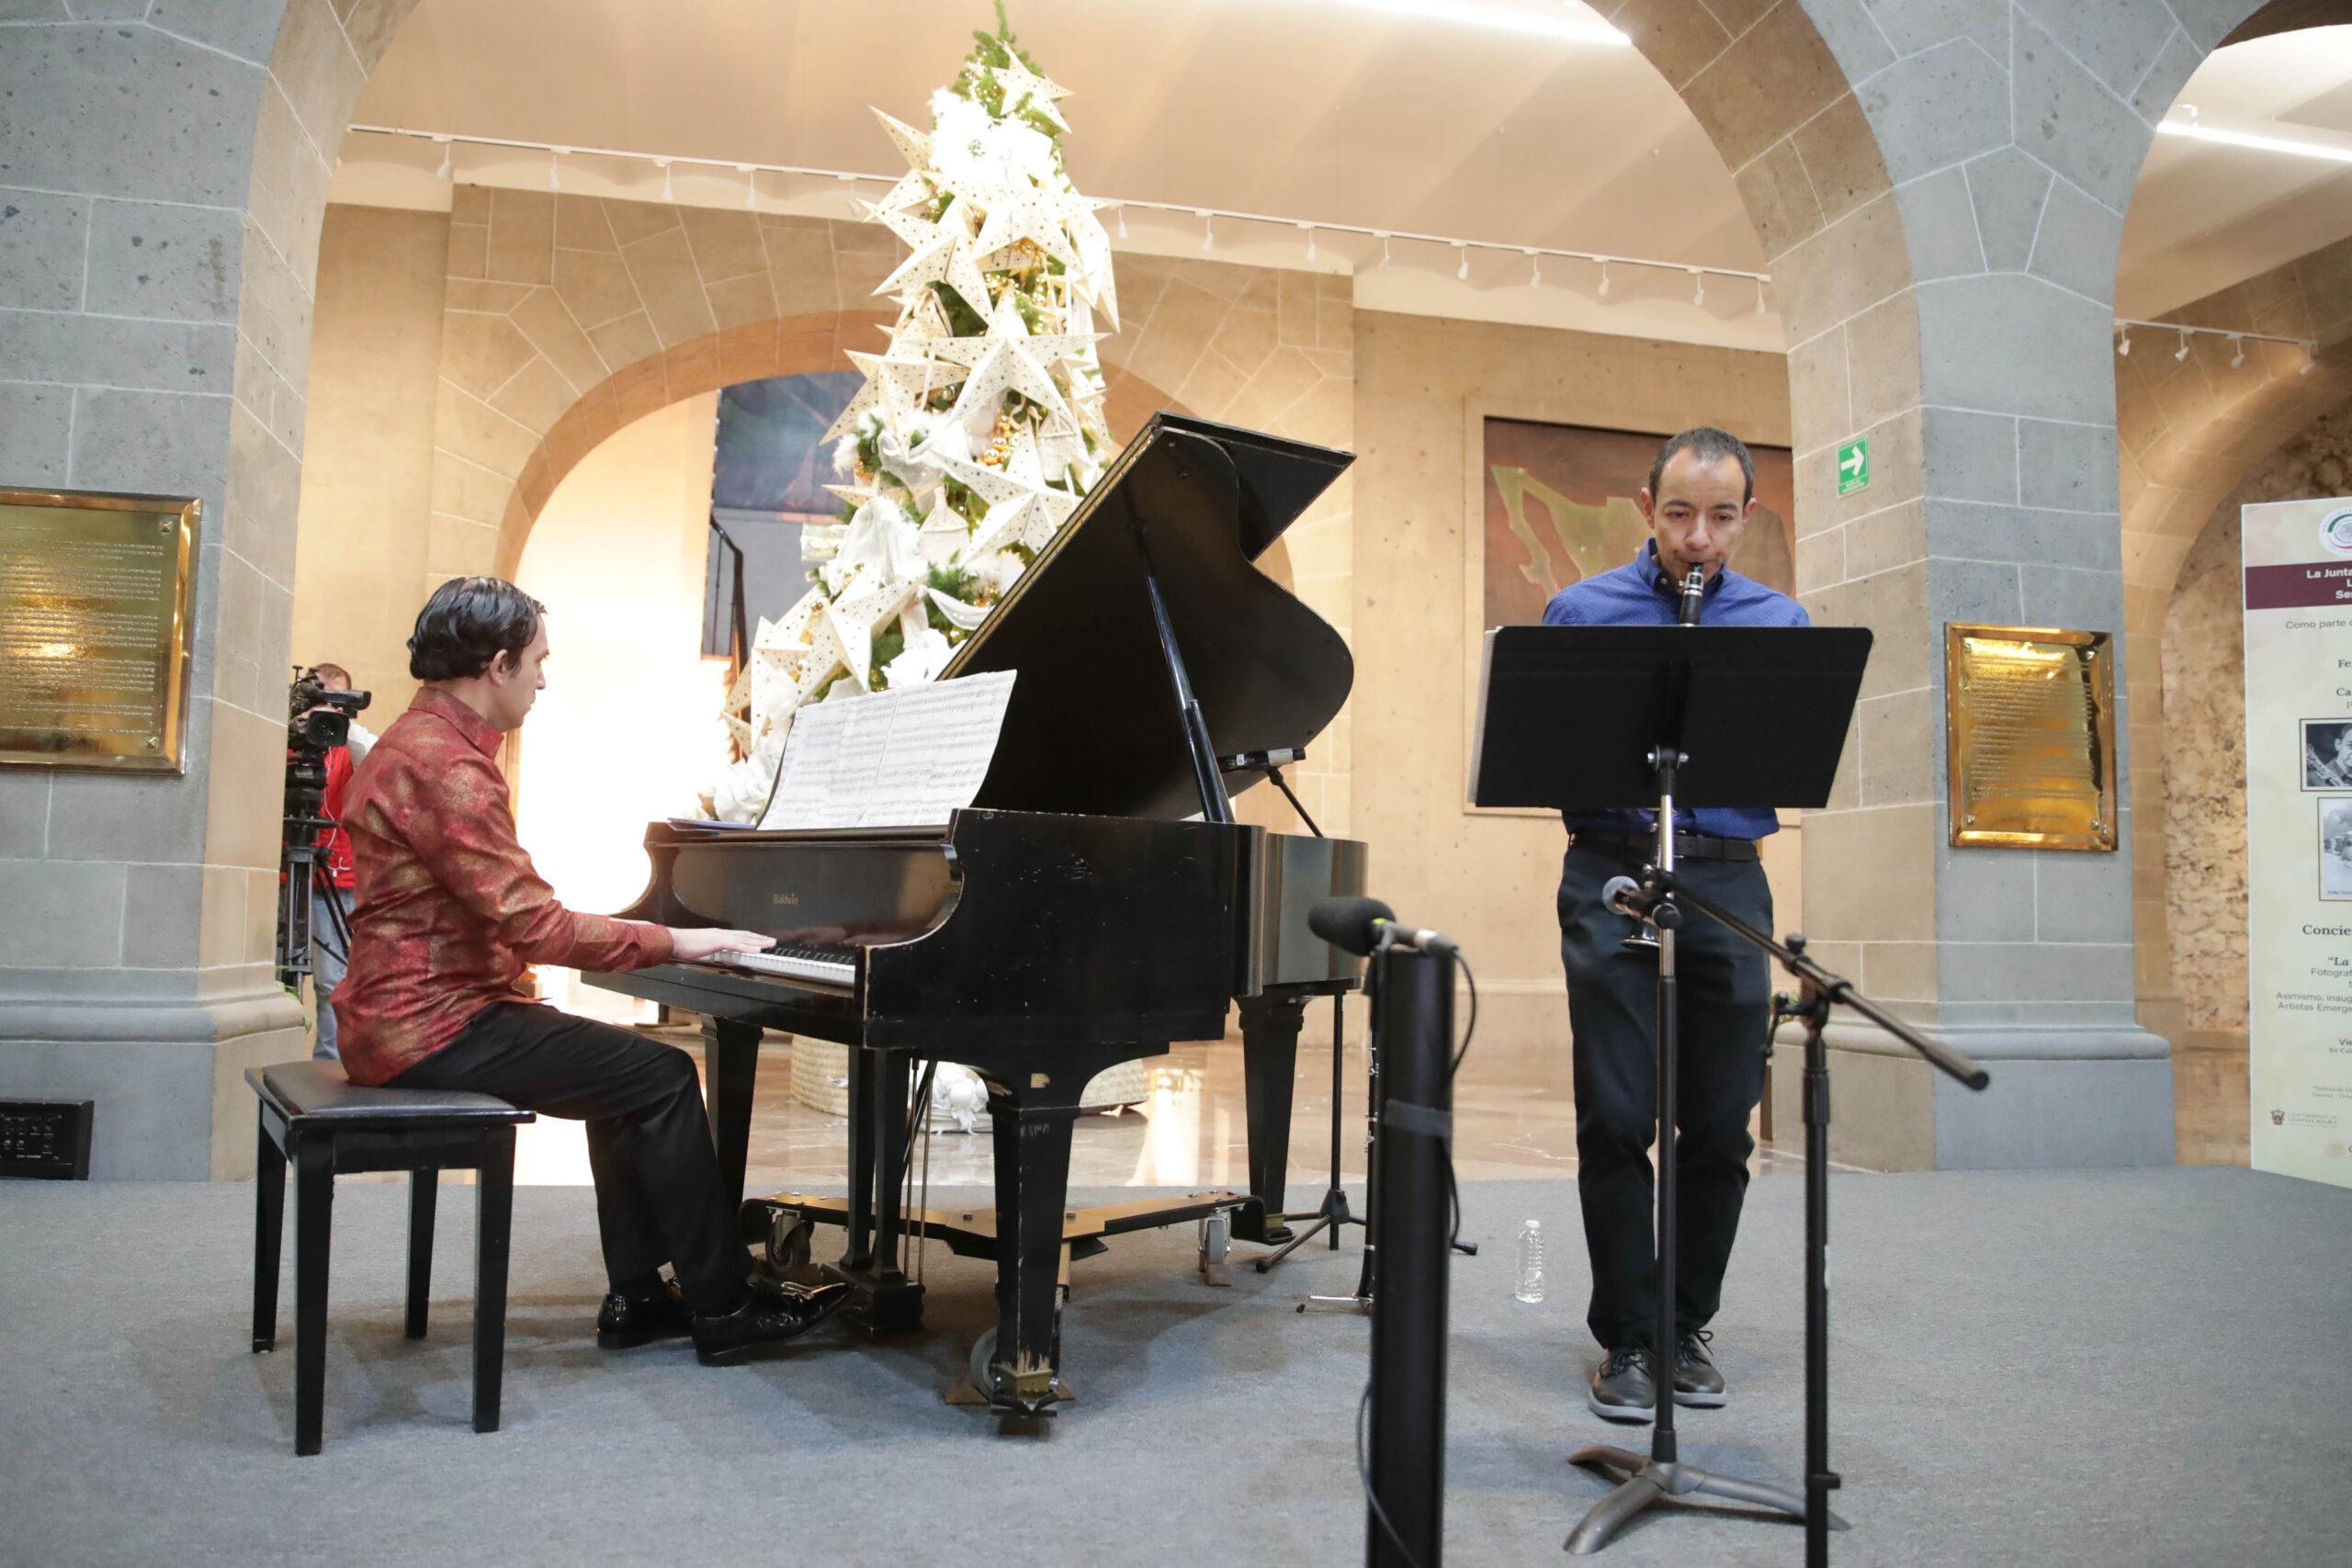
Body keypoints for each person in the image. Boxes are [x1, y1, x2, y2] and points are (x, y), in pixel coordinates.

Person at [333, 577, 844, 1364]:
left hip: (406, 1013)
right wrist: (678, 942)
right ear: (496, 665)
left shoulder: (419, 742)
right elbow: (533, 924)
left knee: (624, 1075)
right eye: (537, 660)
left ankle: (639, 1294)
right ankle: (724, 1305)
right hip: (430, 1026)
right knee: (665, 1075)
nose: (544, 678)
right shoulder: (447, 769)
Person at [1541, 427, 1807, 1422]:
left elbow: (1786, 765)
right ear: (1648, 509)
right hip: (1610, 873)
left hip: (1728, 885)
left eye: (1721, 516)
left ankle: (1684, 1323)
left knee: (1721, 1123)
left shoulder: (1780, 624)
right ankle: (1627, 1336)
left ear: (1745, 515)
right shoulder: (1580, 613)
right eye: (1680, 514)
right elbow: (1548, 760)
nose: (1699, 536)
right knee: (1615, 1117)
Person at [300, 663, 371, 1062]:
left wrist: (339, 722)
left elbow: (378, 757)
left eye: (333, 697)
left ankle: (330, 1063)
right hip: (285, 872)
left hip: (337, 877)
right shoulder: (290, 737)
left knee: (333, 981)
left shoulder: (351, 744)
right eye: (317, 696)